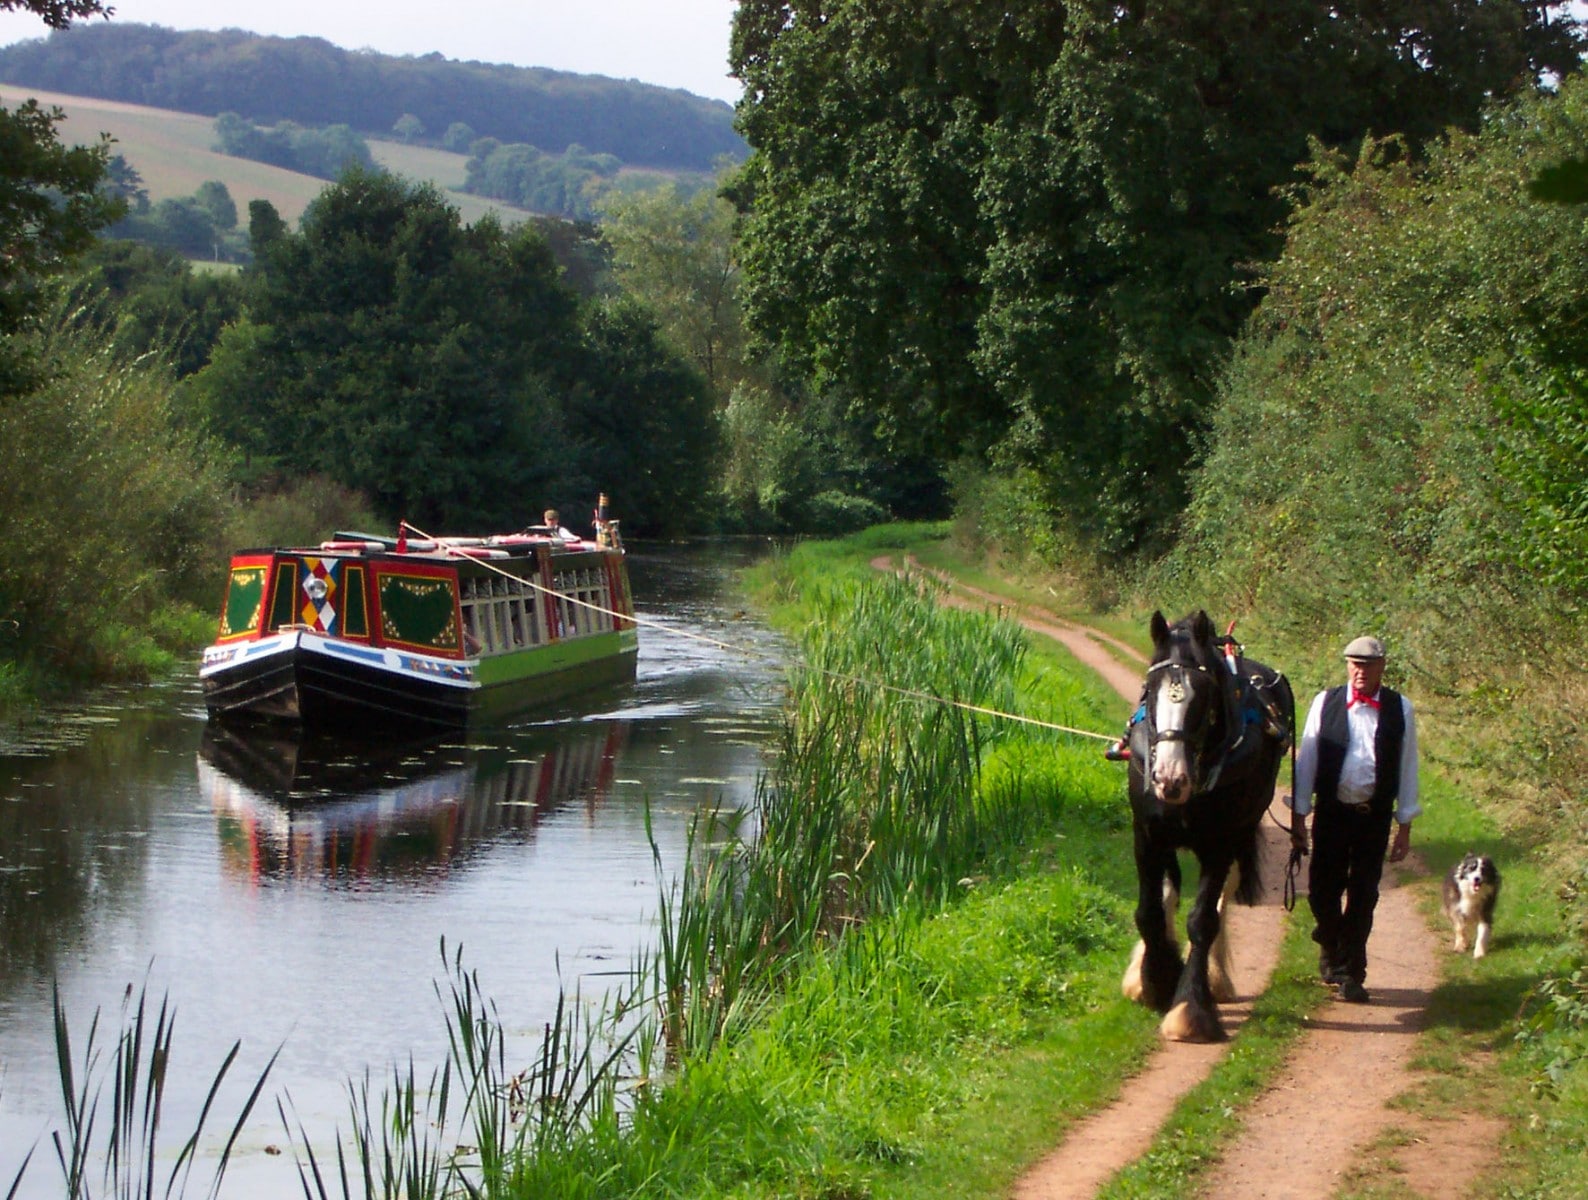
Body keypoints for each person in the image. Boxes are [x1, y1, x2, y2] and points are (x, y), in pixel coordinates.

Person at [1287, 635, 1419, 1004]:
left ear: (1382, 667)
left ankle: (1351, 973)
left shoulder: (1400, 708)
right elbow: (1308, 760)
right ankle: (1331, 942)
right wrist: (1299, 817)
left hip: (1373, 818)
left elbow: (1408, 767)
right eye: (1354, 664)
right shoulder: (1325, 702)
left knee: (1363, 895)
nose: (1360, 671)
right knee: (1321, 893)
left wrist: (1404, 826)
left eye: (1367, 665)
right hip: (1332, 813)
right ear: (1347, 666)